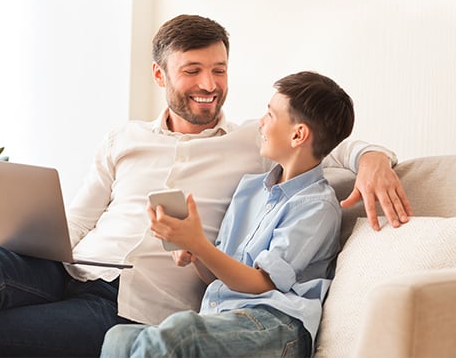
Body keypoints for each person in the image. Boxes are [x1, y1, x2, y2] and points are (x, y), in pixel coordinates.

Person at [0, 15, 411, 357]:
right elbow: (75, 221)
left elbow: (325, 140)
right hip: (68, 273)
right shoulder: (124, 137)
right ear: (160, 74)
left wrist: (372, 158)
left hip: (130, 308)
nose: (209, 83)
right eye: (192, 70)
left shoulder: (254, 142)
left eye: (219, 70)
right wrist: (6, 237)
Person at [101, 70, 354, 358]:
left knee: (181, 334)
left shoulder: (316, 206)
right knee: (119, 337)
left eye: (270, 115)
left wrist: (199, 244)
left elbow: (261, 283)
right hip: (227, 316)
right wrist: (194, 252)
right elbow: (218, 277)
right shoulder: (250, 189)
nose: (260, 123)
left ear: (298, 134)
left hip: (277, 325)